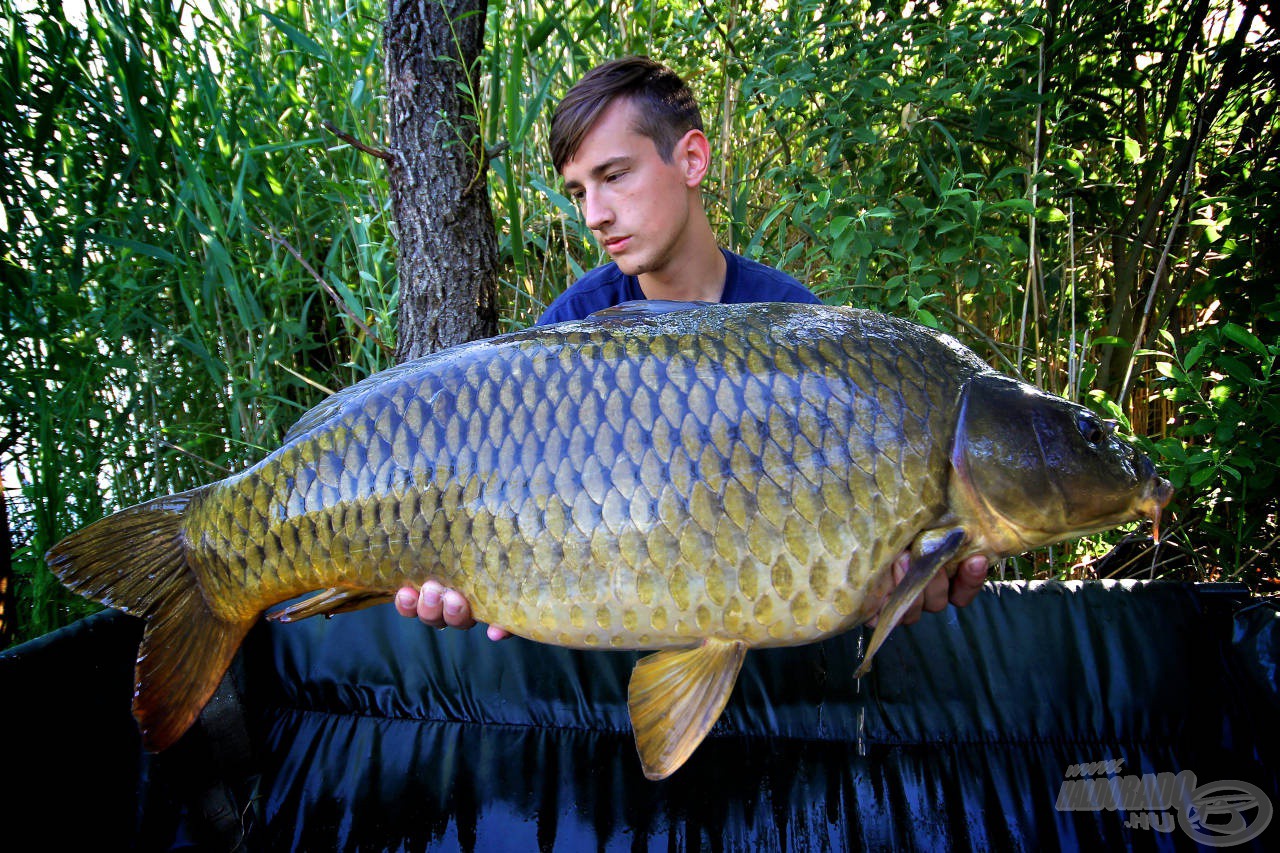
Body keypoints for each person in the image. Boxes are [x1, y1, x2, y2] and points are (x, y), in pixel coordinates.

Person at [394, 56, 988, 640]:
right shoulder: (571, 327)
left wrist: (902, 575)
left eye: (614, 176)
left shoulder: (800, 330)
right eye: (578, 192)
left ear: (692, 159)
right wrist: (465, 567)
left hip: (771, 663)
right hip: (611, 644)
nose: (595, 215)